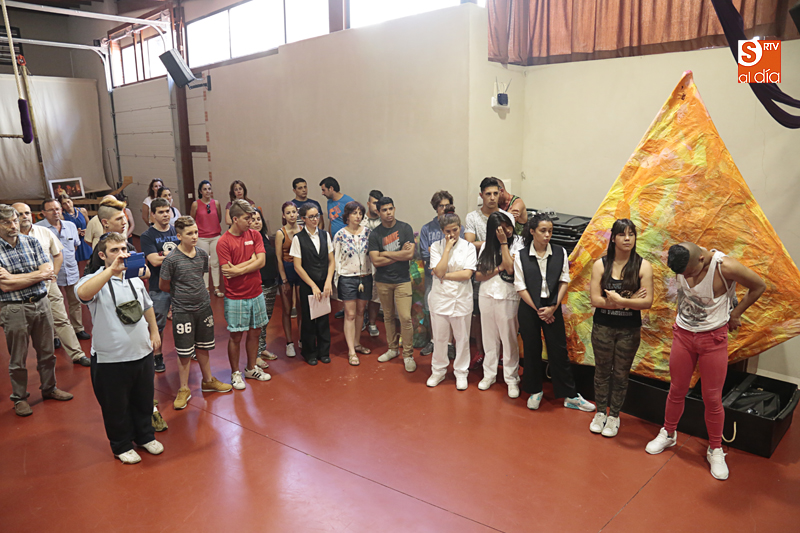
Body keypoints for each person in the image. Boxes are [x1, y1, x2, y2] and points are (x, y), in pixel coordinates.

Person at [645, 242, 765, 481]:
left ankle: (715, 448)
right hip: (683, 334)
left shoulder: (725, 267)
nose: (685, 278)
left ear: (701, 260)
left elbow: (759, 286)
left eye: (688, 273)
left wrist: (736, 313)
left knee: (712, 398)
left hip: (713, 339)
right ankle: (668, 433)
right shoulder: (682, 258)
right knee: (676, 389)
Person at [75, 232, 163, 464]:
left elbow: (147, 306)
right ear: (103, 255)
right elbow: (82, 294)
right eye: (115, 250)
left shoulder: (133, 277)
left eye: (124, 249)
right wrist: (109, 272)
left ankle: (145, 436)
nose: (121, 254)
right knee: (116, 405)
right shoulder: (94, 279)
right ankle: (121, 444)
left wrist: (154, 332)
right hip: (111, 358)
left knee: (144, 399)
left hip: (142, 353)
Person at [514, 213, 595, 412]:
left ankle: (570, 395)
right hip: (529, 307)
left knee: (558, 350)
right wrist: (538, 309)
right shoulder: (522, 255)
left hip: (552, 306)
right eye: (543, 231)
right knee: (531, 349)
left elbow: (564, 281)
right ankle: (535, 390)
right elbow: (520, 287)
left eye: (550, 231)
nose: (547, 235)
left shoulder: (559, 253)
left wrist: (553, 307)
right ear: (532, 231)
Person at [0, 204, 73, 417]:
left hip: (41, 303)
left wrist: (16, 278)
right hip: (14, 308)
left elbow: (48, 270)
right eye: (7, 222)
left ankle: (49, 388)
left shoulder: (32, 242)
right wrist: (36, 276)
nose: (13, 225)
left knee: (47, 352)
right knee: (18, 357)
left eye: (15, 220)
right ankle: (20, 398)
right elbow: (4, 286)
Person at [589, 219, 653, 437]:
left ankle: (614, 415)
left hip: (629, 330)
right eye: (622, 234)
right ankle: (600, 412)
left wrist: (619, 299)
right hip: (603, 327)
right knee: (602, 371)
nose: (628, 239)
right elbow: (595, 300)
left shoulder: (643, 266)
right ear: (613, 238)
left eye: (631, 234)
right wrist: (629, 299)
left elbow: (647, 302)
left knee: (621, 374)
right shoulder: (601, 264)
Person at [160, 217, 232, 409]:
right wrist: (182, 298)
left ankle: (208, 381)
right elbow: (164, 285)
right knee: (184, 351)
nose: (194, 237)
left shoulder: (201, 254)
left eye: (196, 232)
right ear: (179, 235)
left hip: (203, 308)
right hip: (183, 311)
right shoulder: (171, 259)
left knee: (203, 346)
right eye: (189, 233)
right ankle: (184, 388)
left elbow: (200, 275)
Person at [13, 203, 90, 367]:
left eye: (27, 213)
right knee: (29, 328)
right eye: (20, 214)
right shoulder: (8, 238)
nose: (24, 216)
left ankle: (77, 354)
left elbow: (58, 254)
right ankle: (28, 364)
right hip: (24, 290)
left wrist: (53, 274)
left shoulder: (43, 232)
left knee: (61, 319)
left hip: (49, 285)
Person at [217, 199, 270, 389]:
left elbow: (261, 261)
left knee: (255, 332)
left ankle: (251, 367)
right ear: (234, 219)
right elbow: (225, 270)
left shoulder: (255, 235)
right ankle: (235, 373)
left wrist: (239, 270)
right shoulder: (223, 242)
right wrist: (251, 261)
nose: (251, 221)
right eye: (247, 218)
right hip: (235, 297)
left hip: (256, 293)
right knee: (236, 336)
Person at [465, 177, 514, 367]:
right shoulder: (473, 217)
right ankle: (480, 351)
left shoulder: (506, 216)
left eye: (496, 193)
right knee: (479, 315)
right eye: (488, 194)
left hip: (504, 271)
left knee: (504, 317)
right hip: (482, 268)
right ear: (481, 195)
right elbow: (469, 244)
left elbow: (511, 240)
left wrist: (494, 245)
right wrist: (490, 244)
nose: (492, 198)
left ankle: (502, 354)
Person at [426, 207, 476, 390]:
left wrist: (444, 276)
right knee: (439, 338)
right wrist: (446, 249)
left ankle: (461, 372)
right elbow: (438, 270)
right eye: (448, 231)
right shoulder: (437, 248)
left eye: (455, 230)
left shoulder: (469, 247)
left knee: (462, 338)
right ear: (442, 232)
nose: (452, 234)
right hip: (440, 299)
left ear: (460, 228)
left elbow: (467, 274)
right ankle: (438, 371)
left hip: (462, 299)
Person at [475, 211, 524, 398]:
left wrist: (504, 243)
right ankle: (489, 374)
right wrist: (498, 269)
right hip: (487, 295)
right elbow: (479, 275)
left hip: (508, 297)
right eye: (501, 229)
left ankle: (511, 378)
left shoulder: (518, 244)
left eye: (508, 226)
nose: (506, 231)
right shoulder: (486, 245)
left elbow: (510, 268)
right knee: (489, 337)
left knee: (509, 338)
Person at [368, 197, 417, 373]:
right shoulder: (375, 234)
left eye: (391, 209)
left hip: (403, 280)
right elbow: (375, 261)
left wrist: (385, 254)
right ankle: (392, 349)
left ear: (394, 209)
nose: (388, 213)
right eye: (384, 210)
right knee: (388, 316)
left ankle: (408, 354)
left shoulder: (405, 228)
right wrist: (398, 253)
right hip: (383, 281)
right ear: (379, 212)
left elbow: (409, 255)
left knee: (404, 317)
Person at [37, 199, 91, 341]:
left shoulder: (70, 226)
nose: (55, 212)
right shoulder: (38, 229)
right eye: (51, 210)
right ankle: (55, 335)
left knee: (75, 301)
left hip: (71, 270)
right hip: (51, 273)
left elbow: (75, 246)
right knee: (53, 305)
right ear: (43, 213)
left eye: (57, 209)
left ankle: (78, 328)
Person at [419, 191, 463, 357]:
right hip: (433, 277)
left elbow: (460, 250)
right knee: (432, 308)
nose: (444, 209)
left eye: (447, 205)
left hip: (453, 277)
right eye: (441, 206)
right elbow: (425, 253)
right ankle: (433, 341)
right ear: (435, 208)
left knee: (451, 309)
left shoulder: (459, 227)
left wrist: (436, 251)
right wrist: (435, 253)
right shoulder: (427, 229)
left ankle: (450, 344)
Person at [291, 204, 334, 365]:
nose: (315, 219)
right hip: (308, 283)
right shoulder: (298, 238)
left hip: (324, 281)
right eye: (311, 217)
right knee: (309, 319)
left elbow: (331, 261)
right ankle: (309, 352)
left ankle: (324, 351)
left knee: (323, 317)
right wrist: (313, 285)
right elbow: (298, 266)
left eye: (317, 215)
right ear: (303, 219)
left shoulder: (325, 235)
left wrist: (328, 280)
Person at [140, 198, 180, 374]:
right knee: (158, 323)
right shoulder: (147, 236)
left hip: (179, 284)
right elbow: (154, 261)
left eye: (167, 211)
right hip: (158, 286)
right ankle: (157, 354)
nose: (165, 215)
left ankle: (188, 350)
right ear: (153, 214)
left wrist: (165, 256)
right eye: (161, 212)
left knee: (183, 320)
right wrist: (178, 256)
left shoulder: (176, 231)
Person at [333, 201, 372, 366]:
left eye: (360, 213)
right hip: (348, 277)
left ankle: (357, 343)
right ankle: (351, 350)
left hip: (365, 276)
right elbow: (336, 259)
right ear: (347, 215)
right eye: (354, 213)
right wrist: (337, 278)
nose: (358, 216)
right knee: (349, 313)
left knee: (360, 312)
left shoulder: (368, 233)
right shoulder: (340, 235)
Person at [250, 209, 280, 368]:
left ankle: (262, 349)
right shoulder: (248, 240)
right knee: (257, 322)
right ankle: (254, 356)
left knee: (265, 320)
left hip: (270, 283)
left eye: (258, 219)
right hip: (258, 285)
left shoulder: (264, 237)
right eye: (253, 219)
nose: (257, 222)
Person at [275, 202, 302, 357]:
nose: (292, 215)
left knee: (301, 308)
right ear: (284, 215)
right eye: (288, 212)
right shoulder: (281, 233)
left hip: (299, 270)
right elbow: (278, 258)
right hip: (286, 270)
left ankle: (301, 338)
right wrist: (284, 279)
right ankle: (289, 342)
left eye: (294, 212)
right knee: (287, 309)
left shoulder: (302, 230)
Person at [190, 180, 224, 298]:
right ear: (200, 191)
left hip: (215, 236)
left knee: (215, 262)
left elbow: (218, 218)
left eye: (209, 189)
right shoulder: (196, 204)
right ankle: (206, 287)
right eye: (204, 189)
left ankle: (216, 287)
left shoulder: (216, 203)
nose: (207, 191)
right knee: (205, 263)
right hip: (202, 237)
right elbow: (192, 220)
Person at [361, 190, 383, 338]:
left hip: (378, 264)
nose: (377, 206)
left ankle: (373, 323)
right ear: (368, 204)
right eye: (374, 203)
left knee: (376, 296)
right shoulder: (359, 220)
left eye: (379, 203)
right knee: (361, 295)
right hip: (362, 263)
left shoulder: (385, 222)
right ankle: (361, 319)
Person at [58, 193, 92, 264]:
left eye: (68, 202)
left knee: (89, 261)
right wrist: (75, 233)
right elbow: (63, 232)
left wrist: (86, 231)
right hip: (74, 243)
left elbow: (89, 225)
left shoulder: (82, 211)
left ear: (72, 201)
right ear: (62, 206)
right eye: (64, 203)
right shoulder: (62, 216)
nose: (67, 205)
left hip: (85, 240)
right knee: (77, 263)